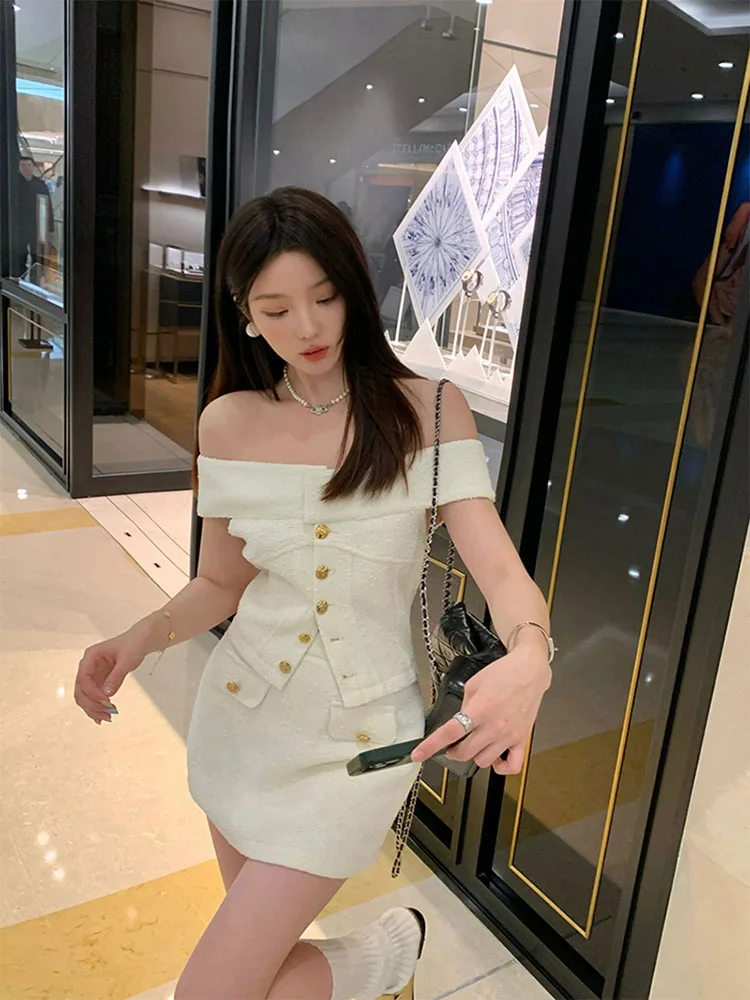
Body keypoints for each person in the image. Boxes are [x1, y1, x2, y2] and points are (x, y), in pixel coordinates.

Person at [74, 188, 553, 1000]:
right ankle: (385, 965)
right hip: (240, 723)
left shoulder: (429, 411)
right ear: (245, 317)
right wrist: (140, 636)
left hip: (360, 746)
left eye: (325, 297)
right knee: (259, 974)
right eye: (276, 309)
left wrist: (532, 655)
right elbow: (221, 581)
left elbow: (501, 574)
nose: (308, 326)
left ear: (354, 288)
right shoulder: (228, 422)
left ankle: (387, 954)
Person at [13, 157, 54, 277]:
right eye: (23, 165)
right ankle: (18, 278)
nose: (26, 168)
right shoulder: (13, 184)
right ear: (19, 167)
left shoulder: (40, 185)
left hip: (37, 225)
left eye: (29, 165)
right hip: (18, 226)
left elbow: (48, 205)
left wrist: (50, 226)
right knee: (19, 254)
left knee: (38, 255)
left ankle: (36, 279)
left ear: (33, 167)